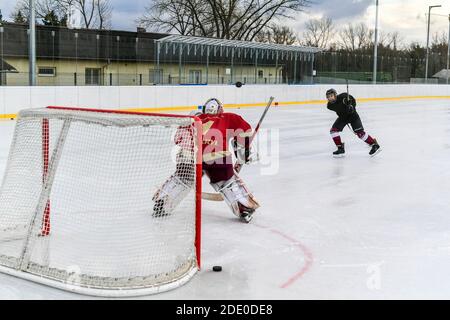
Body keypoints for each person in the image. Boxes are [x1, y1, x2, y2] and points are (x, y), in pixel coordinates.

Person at [153, 98, 259, 223]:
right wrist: (245, 151)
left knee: (182, 179)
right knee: (228, 182)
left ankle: (163, 201)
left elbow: (178, 138)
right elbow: (244, 132)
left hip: (190, 156)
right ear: (220, 109)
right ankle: (243, 207)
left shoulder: (193, 119)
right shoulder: (228, 117)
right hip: (218, 157)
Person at [326, 88, 381, 157]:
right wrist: (346, 107)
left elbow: (353, 101)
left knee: (360, 133)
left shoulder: (344, 96)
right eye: (328, 97)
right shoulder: (329, 106)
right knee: (333, 131)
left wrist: (352, 106)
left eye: (331, 96)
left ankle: (374, 145)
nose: (330, 98)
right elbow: (340, 108)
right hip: (343, 118)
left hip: (353, 116)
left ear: (335, 95)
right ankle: (340, 148)